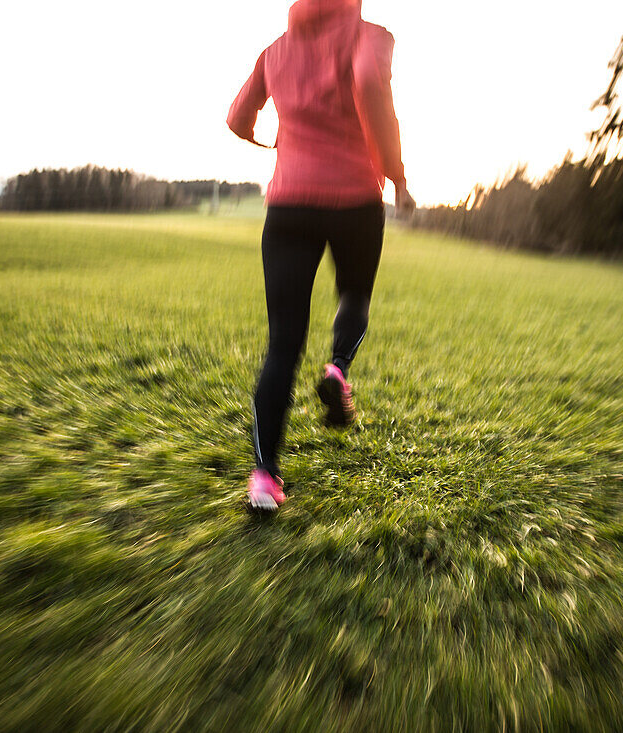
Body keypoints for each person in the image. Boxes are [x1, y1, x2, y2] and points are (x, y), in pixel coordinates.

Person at [227, 0, 414, 511]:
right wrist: (396, 175)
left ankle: (265, 477)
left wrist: (270, 142)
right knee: (354, 294)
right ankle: (337, 370)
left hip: (288, 206)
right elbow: (376, 96)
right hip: (355, 200)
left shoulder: (275, 52)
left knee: (282, 345)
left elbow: (236, 118)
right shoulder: (371, 36)